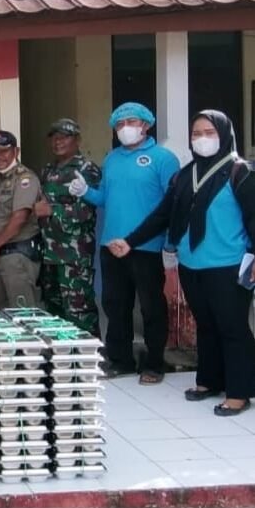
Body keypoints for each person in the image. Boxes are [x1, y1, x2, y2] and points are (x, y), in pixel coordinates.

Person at [109, 110, 255, 415]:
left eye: (208, 132)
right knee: (206, 324)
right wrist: (131, 241)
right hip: (192, 263)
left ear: (225, 134)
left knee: (232, 327)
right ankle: (209, 380)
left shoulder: (240, 172)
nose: (201, 139)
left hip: (228, 264)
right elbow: (163, 215)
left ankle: (239, 391)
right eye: (196, 133)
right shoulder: (185, 175)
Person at [68, 102, 181, 383]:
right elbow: (104, 198)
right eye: (119, 125)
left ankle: (154, 363)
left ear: (145, 124)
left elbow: (174, 204)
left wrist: (169, 245)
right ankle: (121, 360)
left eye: (130, 122)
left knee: (151, 306)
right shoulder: (112, 159)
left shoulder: (163, 158)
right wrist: (85, 192)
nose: (125, 129)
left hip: (148, 246)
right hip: (112, 245)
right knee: (115, 305)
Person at [34, 119, 103, 335]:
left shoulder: (86, 169)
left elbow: (86, 212)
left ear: (77, 140)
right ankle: (63, 361)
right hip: (49, 254)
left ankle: (91, 360)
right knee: (54, 312)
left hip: (74, 255)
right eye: (54, 138)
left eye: (64, 137)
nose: (58, 142)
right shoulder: (47, 170)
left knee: (79, 311)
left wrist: (53, 211)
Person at [0, 130, 44, 310]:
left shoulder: (25, 179)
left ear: (16, 151)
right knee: (5, 313)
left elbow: (20, 218)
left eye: (3, 151)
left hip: (18, 256)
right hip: (1, 257)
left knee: (23, 313)